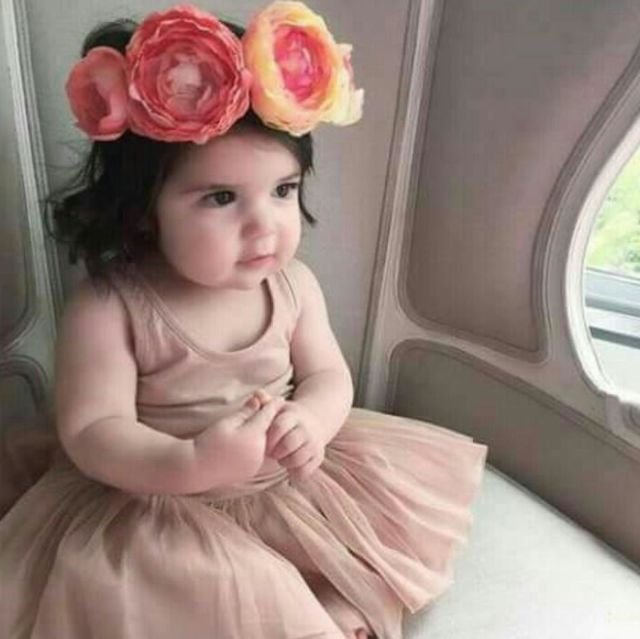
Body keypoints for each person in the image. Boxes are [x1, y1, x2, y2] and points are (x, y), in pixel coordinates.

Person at [0, 3, 488, 638]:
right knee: (193, 586)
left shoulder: (293, 286)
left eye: (283, 190)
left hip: (283, 484)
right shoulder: (110, 306)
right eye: (222, 198)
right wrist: (192, 461)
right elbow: (93, 430)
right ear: (143, 209)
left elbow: (328, 376)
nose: (266, 226)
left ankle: (342, 605)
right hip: (158, 499)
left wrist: (310, 420)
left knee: (357, 556)